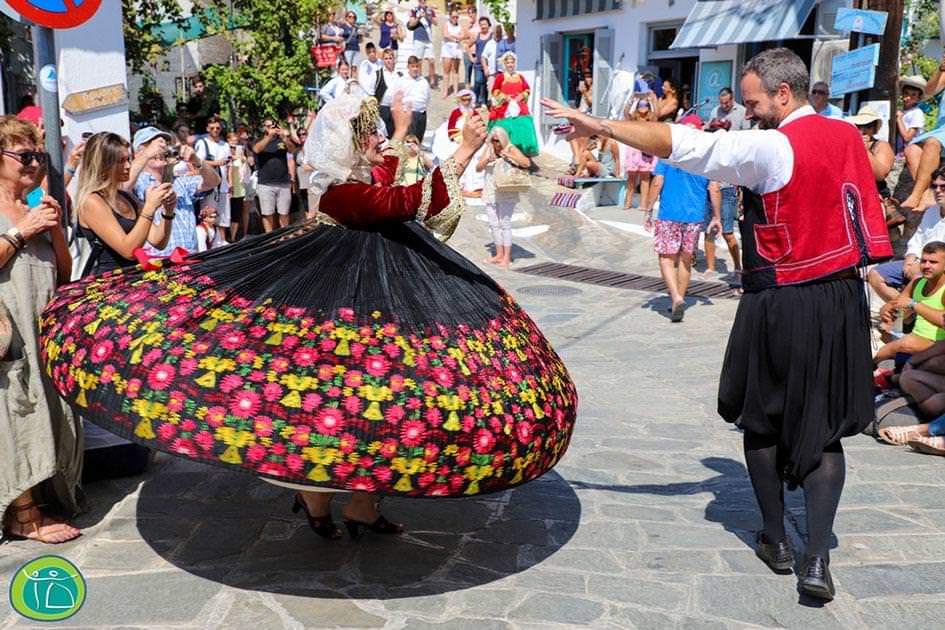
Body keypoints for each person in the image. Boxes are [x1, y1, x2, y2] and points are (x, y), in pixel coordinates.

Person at [39, 92, 578, 542]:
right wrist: (462, 148)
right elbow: (406, 200)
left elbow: (394, 182)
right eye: (364, 134)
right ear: (347, 144)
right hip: (342, 299)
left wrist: (394, 137)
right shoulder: (343, 191)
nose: (375, 141)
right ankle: (318, 502)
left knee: (377, 397)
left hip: (380, 300)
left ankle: (356, 505)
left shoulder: (359, 179)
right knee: (335, 400)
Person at [543, 46, 892, 601]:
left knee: (762, 418)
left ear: (783, 93)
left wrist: (604, 126)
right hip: (840, 296)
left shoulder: (772, 144)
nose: (748, 112)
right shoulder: (847, 134)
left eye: (753, 102)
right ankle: (818, 556)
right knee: (822, 427)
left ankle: (776, 539)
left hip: (782, 298)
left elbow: (689, 145)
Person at [0, 116, 82, 544]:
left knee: (45, 404)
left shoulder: (37, 204)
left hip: (43, 322)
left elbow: (63, 273)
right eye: (24, 155)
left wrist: (55, 232)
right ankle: (23, 514)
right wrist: (20, 232)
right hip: (9, 327)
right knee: (15, 408)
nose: (33, 164)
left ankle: (44, 493)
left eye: (38, 156)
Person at [642, 115, 719, 321]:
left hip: (670, 213)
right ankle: (681, 298)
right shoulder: (704, 157)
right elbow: (713, 187)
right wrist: (717, 216)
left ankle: (676, 298)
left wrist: (648, 210)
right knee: (686, 259)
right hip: (694, 215)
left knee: (666, 257)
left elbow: (657, 183)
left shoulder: (668, 154)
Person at [132, 127, 221, 256]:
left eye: (164, 145)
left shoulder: (179, 181)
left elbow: (214, 181)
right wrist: (147, 154)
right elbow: (123, 185)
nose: (160, 149)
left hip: (190, 257)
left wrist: (196, 160)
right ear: (138, 153)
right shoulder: (137, 183)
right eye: (152, 144)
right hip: (157, 261)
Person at [869, 167, 945, 304]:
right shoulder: (932, 212)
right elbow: (917, 239)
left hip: (936, 266)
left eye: (943, 187)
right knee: (875, 275)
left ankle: (913, 312)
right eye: (935, 186)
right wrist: (911, 259)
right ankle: (911, 312)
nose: (938, 191)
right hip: (921, 261)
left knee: (920, 276)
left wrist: (922, 265)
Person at [876, 241, 945, 365]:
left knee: (902, 345)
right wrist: (888, 314)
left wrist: (914, 304)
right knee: (886, 330)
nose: (926, 266)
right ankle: (894, 369)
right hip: (916, 337)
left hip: (938, 342)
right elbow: (897, 306)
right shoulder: (918, 282)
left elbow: (942, 320)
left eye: (933, 262)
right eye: (923, 261)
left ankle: (868, 367)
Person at [478, 126, 530, 269]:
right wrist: (488, 159)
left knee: (505, 223)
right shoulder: (488, 149)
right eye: (493, 140)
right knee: (493, 224)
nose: (496, 143)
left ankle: (507, 257)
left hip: (506, 190)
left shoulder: (510, 148)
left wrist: (508, 156)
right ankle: (499, 254)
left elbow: (526, 163)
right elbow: (478, 168)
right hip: (490, 189)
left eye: (498, 140)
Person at [488, 52, 539, 157]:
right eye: (508, 63)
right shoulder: (500, 77)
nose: (510, 65)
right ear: (504, 64)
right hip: (504, 105)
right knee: (504, 125)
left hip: (518, 104)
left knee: (524, 123)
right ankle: (502, 148)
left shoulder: (520, 77)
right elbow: (495, 90)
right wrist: (505, 97)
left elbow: (527, 89)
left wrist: (522, 95)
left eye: (512, 62)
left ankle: (522, 149)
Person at [253, 118, 296, 232]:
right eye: (269, 126)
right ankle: (269, 237)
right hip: (266, 183)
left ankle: (284, 236)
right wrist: (269, 137)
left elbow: (292, 150)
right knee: (268, 214)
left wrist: (284, 138)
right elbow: (257, 149)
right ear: (264, 128)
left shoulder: (281, 140)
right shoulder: (259, 140)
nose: (272, 128)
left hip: (283, 182)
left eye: (274, 126)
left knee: (284, 213)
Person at [195, 116, 232, 243]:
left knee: (223, 216)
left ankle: (222, 241)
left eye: (218, 128)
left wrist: (230, 184)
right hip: (209, 186)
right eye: (212, 128)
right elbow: (198, 162)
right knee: (209, 215)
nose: (215, 130)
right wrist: (216, 163)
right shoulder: (202, 143)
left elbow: (228, 165)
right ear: (207, 129)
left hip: (223, 186)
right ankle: (210, 242)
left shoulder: (225, 145)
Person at [622, 96, 658, 210]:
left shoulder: (650, 120)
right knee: (631, 178)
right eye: (641, 105)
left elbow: (656, 114)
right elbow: (626, 113)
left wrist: (652, 102)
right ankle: (627, 203)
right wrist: (632, 101)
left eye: (645, 105)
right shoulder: (633, 119)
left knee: (645, 179)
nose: (643, 108)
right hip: (633, 151)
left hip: (645, 151)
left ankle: (643, 204)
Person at [408, 0, 438, 87]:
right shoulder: (414, 10)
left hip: (428, 39)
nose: (423, 1)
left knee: (432, 61)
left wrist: (430, 17)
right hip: (418, 39)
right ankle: (419, 80)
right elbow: (411, 24)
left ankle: (432, 81)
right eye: (421, 0)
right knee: (419, 61)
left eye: (424, 0)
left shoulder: (430, 10)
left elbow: (436, 23)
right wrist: (419, 17)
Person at [402, 56, 431, 143]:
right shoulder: (402, 81)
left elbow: (428, 97)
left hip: (421, 114)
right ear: (408, 67)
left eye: (417, 66)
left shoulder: (423, 81)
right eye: (412, 66)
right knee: (410, 142)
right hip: (409, 114)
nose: (415, 69)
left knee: (419, 139)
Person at [227, 131, 249, 242]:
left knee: (236, 213)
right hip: (228, 189)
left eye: (236, 141)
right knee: (227, 213)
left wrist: (244, 158)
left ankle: (233, 238)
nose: (234, 144)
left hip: (239, 189)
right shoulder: (225, 153)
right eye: (232, 141)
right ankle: (226, 237)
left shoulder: (241, 153)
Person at [377, 48, 404, 134]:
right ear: (383, 60)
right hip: (383, 107)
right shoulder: (378, 73)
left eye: (390, 58)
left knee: (394, 134)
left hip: (395, 108)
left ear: (394, 59)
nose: (388, 61)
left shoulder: (400, 75)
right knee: (383, 134)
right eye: (386, 58)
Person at [440, 8, 464, 98]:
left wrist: (453, 36)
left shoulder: (460, 26)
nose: (455, 18)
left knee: (455, 71)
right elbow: (445, 34)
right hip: (447, 49)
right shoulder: (446, 24)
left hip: (457, 49)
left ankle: (455, 91)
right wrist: (455, 37)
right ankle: (445, 91)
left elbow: (462, 35)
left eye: (457, 17)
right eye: (453, 16)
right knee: (446, 71)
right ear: (450, 16)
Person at [472, 17, 492, 106]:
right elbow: (467, 45)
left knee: (484, 83)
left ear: (488, 25)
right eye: (481, 24)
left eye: (485, 24)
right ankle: (474, 99)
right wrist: (472, 57)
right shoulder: (477, 35)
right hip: (478, 64)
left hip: (488, 64)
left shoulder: (492, 36)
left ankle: (484, 101)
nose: (483, 26)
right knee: (478, 81)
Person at [461, 4, 478, 88]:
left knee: (477, 75)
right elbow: (463, 36)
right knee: (467, 73)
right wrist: (468, 28)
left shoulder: (479, 24)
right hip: (467, 52)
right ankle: (467, 92)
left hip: (477, 52)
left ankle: (475, 92)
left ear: (476, 13)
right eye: (469, 13)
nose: (471, 15)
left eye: (472, 12)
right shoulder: (467, 25)